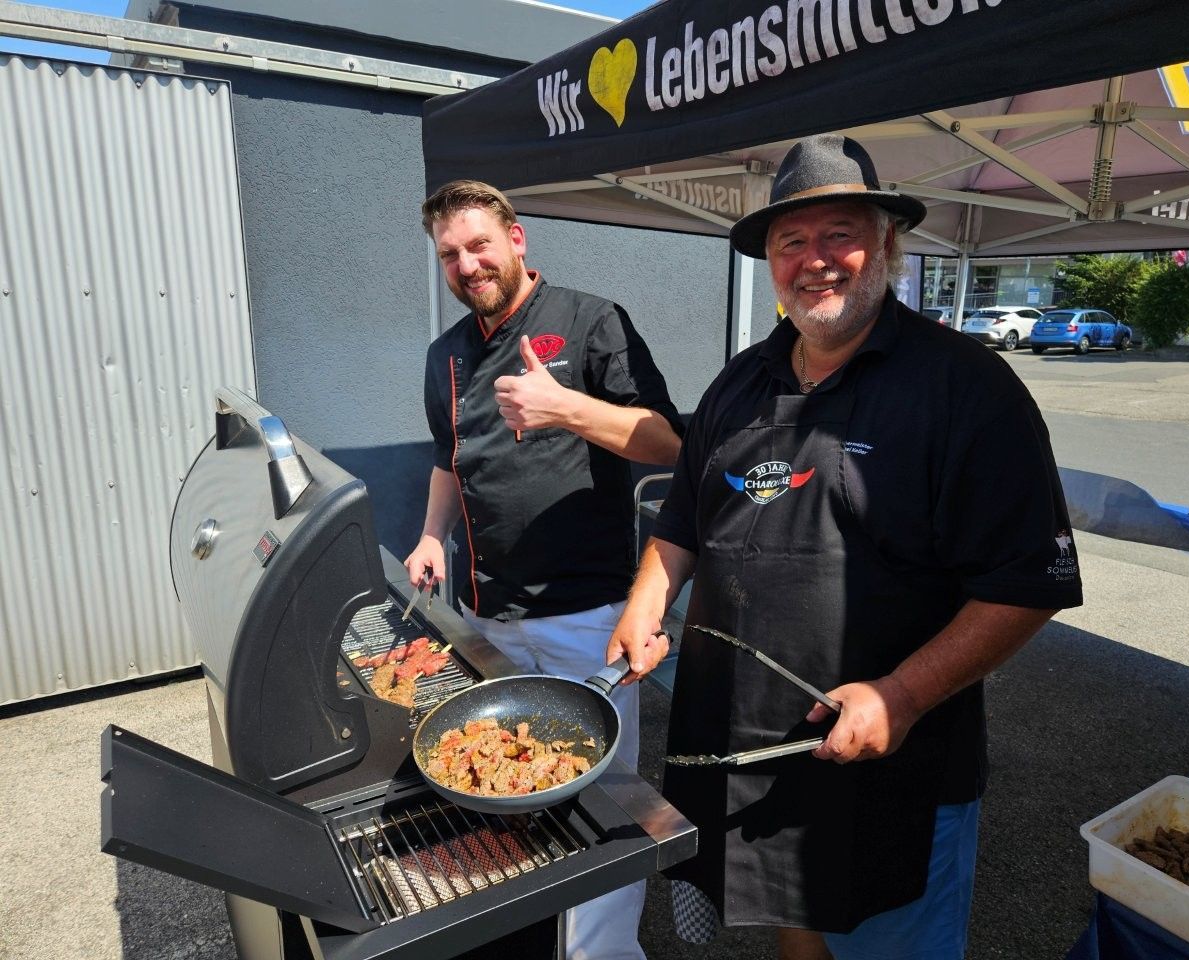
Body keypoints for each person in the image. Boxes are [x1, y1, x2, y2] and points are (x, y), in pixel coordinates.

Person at [607, 135, 1084, 960]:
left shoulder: (965, 387)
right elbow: (683, 518)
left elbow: (1026, 582)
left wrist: (900, 694)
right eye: (793, 242)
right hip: (753, 747)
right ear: (770, 261)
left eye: (840, 234)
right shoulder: (741, 382)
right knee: (796, 928)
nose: (815, 260)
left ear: (887, 243)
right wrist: (644, 602)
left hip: (892, 761)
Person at [407, 180, 683, 960]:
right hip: (487, 617)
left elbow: (667, 440)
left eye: (479, 245)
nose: (467, 264)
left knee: (603, 803)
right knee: (514, 789)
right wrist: (430, 536)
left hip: (586, 618)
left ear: (517, 239)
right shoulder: (445, 354)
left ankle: (604, 955)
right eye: (450, 254)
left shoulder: (592, 319)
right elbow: (446, 459)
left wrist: (568, 409)